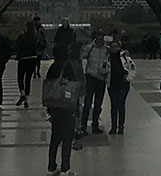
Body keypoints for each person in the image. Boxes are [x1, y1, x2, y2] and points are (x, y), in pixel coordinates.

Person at [44, 42, 82, 175]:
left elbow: (47, 88)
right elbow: (73, 88)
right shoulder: (67, 66)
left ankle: (51, 167)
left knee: (55, 138)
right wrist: (77, 109)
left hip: (54, 107)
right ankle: (65, 168)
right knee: (67, 138)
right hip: (66, 107)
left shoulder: (52, 68)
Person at [80, 29, 111, 134]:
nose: (100, 39)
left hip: (101, 78)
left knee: (98, 103)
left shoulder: (107, 49)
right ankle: (83, 126)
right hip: (91, 77)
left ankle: (95, 125)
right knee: (88, 103)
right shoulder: (90, 48)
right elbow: (83, 58)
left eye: (101, 37)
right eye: (98, 37)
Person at [108, 41, 133, 134]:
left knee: (121, 105)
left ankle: (121, 126)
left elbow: (132, 67)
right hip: (112, 84)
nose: (114, 48)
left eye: (116, 46)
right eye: (112, 47)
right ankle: (113, 126)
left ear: (119, 47)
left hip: (123, 84)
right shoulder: (107, 57)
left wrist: (128, 77)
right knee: (114, 106)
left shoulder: (124, 57)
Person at [15, 21, 38, 108]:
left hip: (23, 59)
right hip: (33, 59)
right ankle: (27, 100)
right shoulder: (35, 36)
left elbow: (17, 46)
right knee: (28, 80)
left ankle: (22, 93)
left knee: (20, 78)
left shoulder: (22, 36)